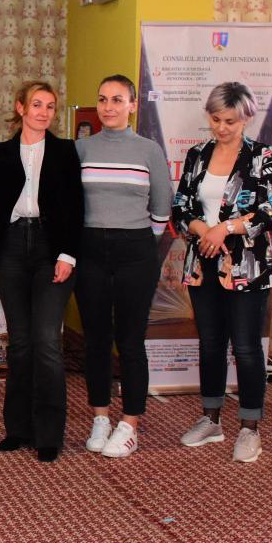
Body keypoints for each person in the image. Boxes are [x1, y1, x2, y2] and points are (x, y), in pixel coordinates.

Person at [171, 82, 272, 463]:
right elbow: (181, 207)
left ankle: (250, 428)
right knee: (210, 343)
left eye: (230, 121)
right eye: (216, 119)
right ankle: (211, 419)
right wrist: (203, 230)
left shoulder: (261, 156)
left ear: (246, 118)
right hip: (202, 264)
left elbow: (271, 211)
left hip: (247, 265)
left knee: (247, 347)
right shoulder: (197, 154)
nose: (221, 127)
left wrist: (226, 229)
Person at [0, 80, 82, 463]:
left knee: (47, 342)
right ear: (20, 108)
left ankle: (49, 434)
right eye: (37, 104)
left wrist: (68, 254)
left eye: (50, 106)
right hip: (9, 248)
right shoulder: (1, 152)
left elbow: (75, 206)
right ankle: (17, 429)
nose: (44, 112)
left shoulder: (65, 151)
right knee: (20, 343)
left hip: (50, 250)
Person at [75, 73, 171, 459]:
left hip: (136, 251)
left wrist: (138, 241)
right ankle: (100, 417)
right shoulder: (81, 149)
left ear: (132, 105)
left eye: (117, 100)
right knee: (96, 340)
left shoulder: (149, 150)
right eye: (102, 99)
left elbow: (161, 208)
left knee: (130, 341)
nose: (108, 107)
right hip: (89, 251)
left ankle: (130, 424)